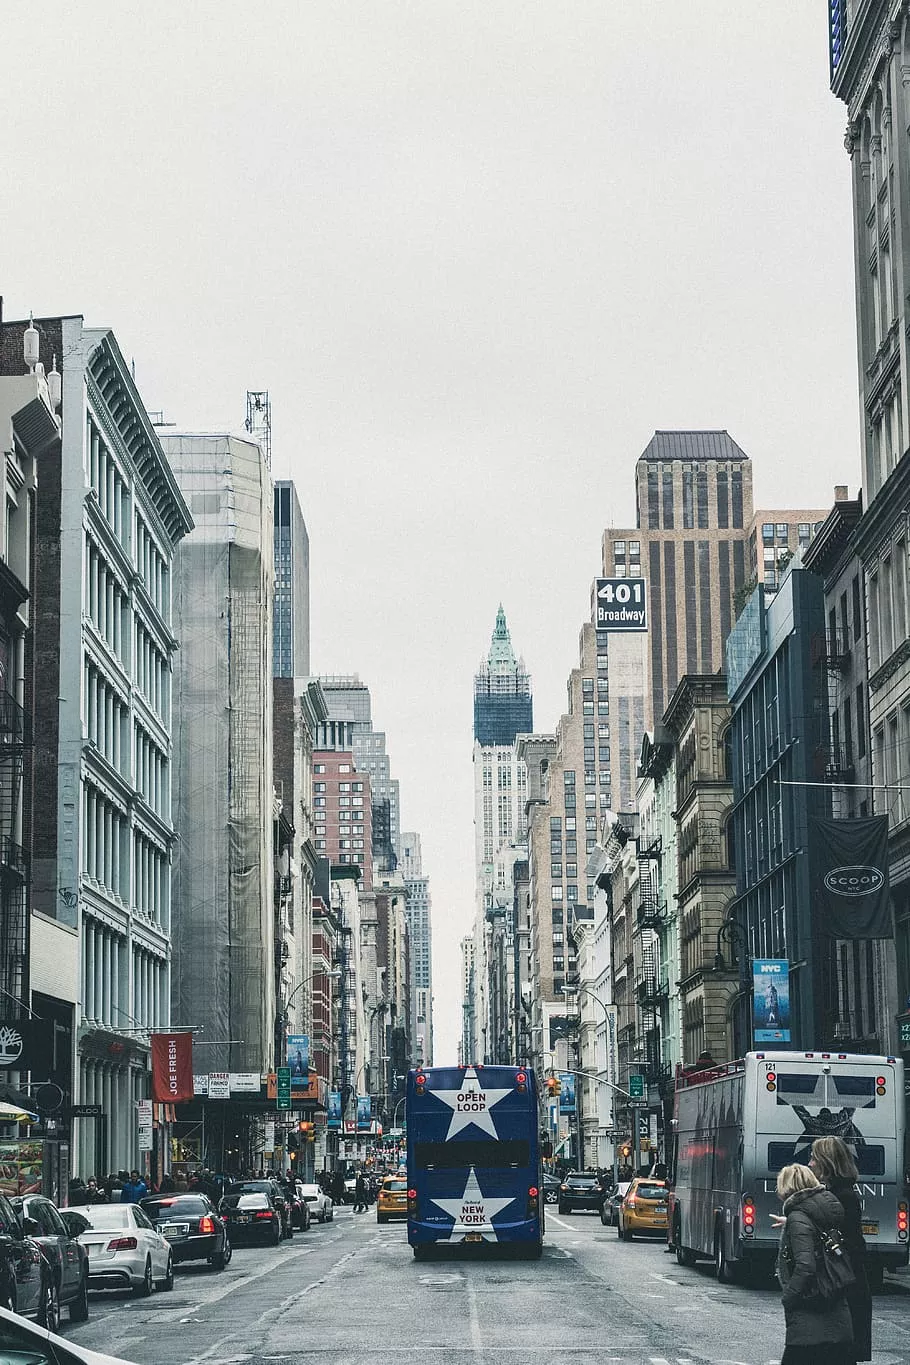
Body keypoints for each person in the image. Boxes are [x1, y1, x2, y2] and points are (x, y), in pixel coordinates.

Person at [774, 1162, 854, 1365]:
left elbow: (805, 1265)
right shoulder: (826, 1208)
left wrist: (789, 1297)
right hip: (834, 1300)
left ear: (788, 1187)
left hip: (809, 1310)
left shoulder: (798, 1217)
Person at [811, 1137, 872, 1362]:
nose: (810, 1164)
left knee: (839, 1353)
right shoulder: (839, 1193)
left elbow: (850, 1244)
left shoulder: (841, 1197)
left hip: (844, 1288)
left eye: (814, 1158)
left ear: (827, 1162)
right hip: (846, 1284)